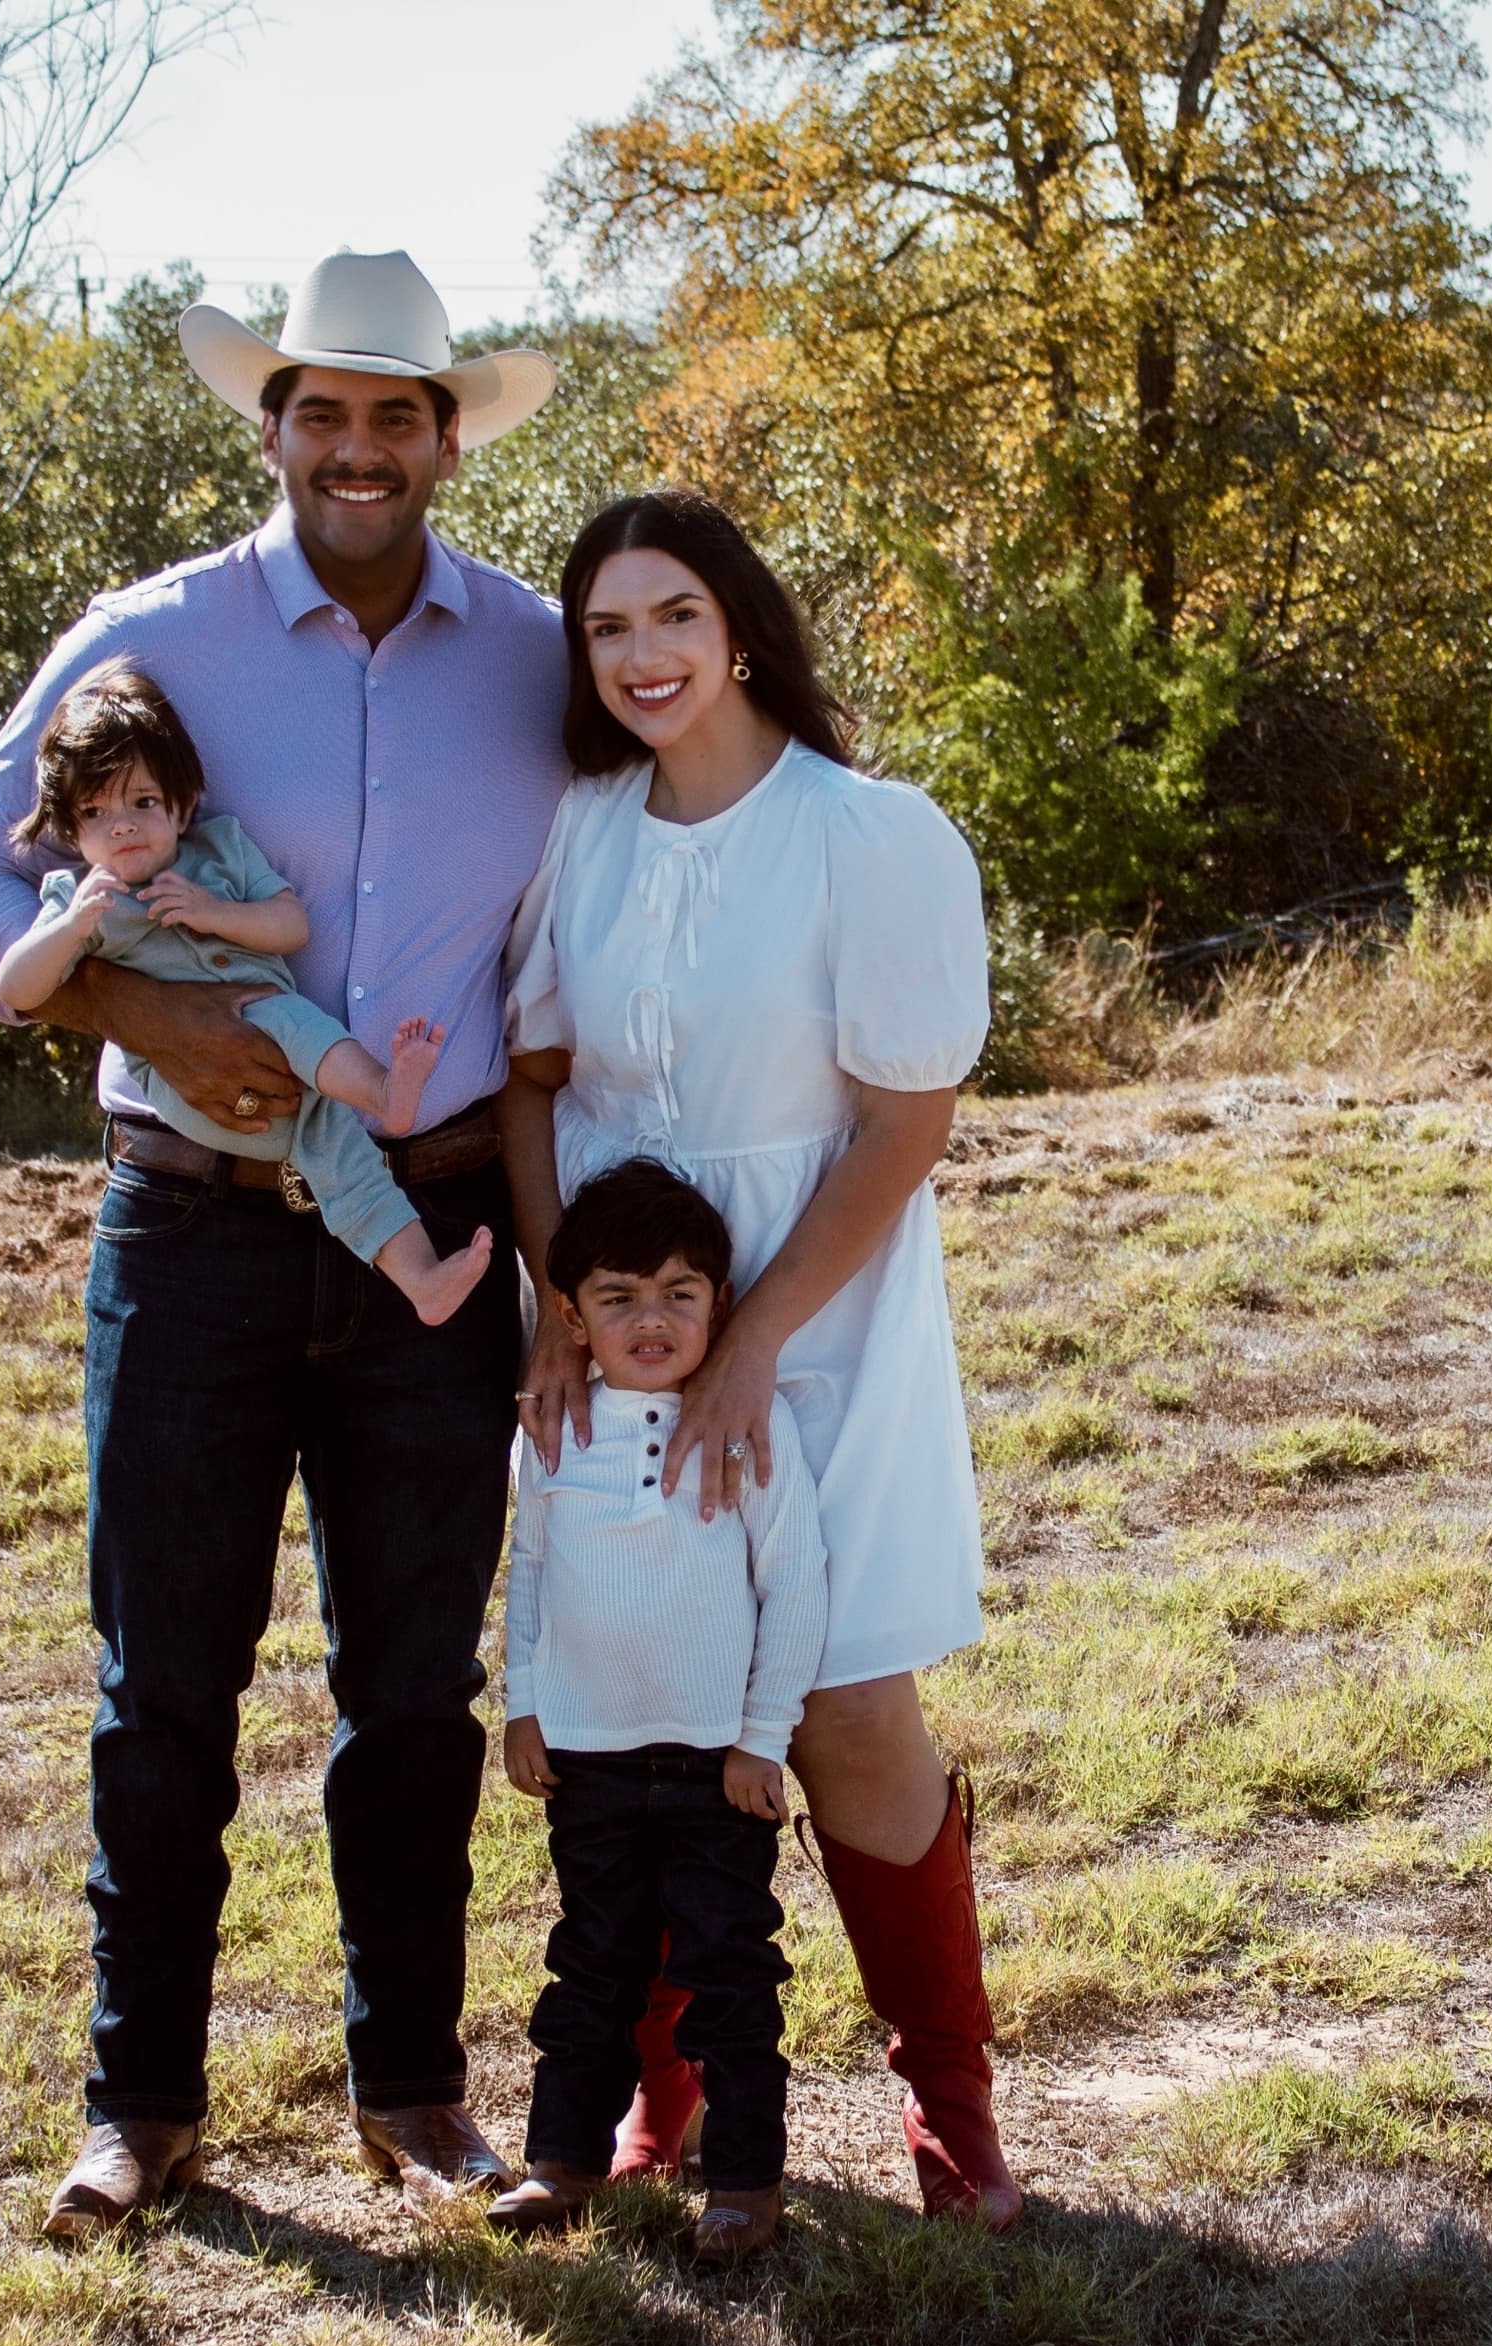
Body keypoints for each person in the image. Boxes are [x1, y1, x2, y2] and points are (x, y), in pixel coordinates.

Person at [0, 250, 567, 2234]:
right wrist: (151, 1013)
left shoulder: (535, 656)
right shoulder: (156, 636)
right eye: (324, 410)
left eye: (398, 413)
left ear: (448, 435)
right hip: (183, 1234)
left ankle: (420, 2098)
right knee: (162, 1687)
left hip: (429, 1227)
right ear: (272, 422)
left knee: (412, 1694)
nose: (359, 447)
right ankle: (141, 2105)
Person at [501, 487, 1022, 2229]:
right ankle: (671, 2097)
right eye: (605, 629)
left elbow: (903, 1119)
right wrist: (557, 1317)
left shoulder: (865, 834)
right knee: (636, 1698)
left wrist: (760, 1344)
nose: (641, 655)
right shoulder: (579, 830)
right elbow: (533, 1086)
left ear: (738, 622)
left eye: (671, 616)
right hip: (619, 1330)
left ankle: (951, 2109)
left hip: (823, 1308)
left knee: (851, 1706)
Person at [486, 1161, 824, 2264]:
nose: (651, 1319)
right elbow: (527, 1572)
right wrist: (524, 1709)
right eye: (620, 1294)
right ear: (571, 1312)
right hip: (585, 1759)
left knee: (732, 1969)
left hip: (711, 1768)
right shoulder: (554, 1427)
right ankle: (562, 2163)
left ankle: (742, 2181)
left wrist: (760, 1740)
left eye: (681, 1292)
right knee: (592, 1966)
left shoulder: (742, 1423)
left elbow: (795, 1585)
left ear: (719, 1305)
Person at [0, 657, 493, 1327]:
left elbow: (290, 925)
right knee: (282, 1020)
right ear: (67, 828)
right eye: (95, 811)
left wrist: (210, 910)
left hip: (290, 1070)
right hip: (199, 1101)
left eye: (143, 802)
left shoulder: (221, 853)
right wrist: (72, 927)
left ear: (184, 801)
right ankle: (378, 1090)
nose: (123, 827)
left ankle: (422, 1278)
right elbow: (16, 987)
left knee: (341, 1151)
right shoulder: (80, 902)